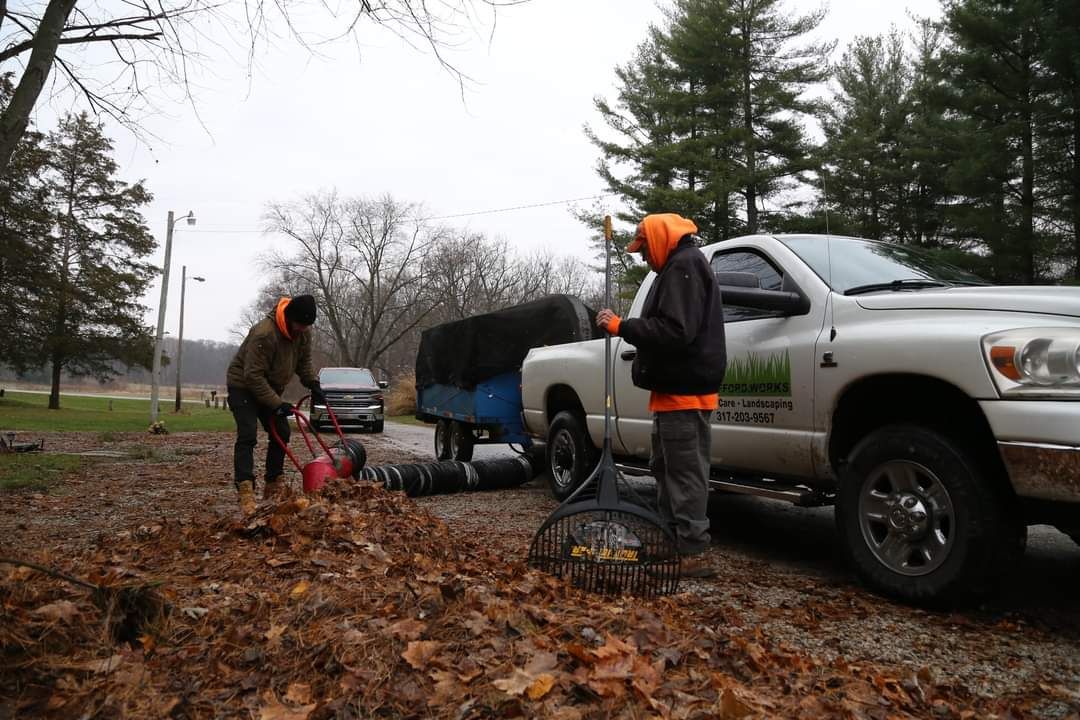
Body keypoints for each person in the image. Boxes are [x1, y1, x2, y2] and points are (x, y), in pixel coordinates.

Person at [596, 213, 727, 578]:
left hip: (686, 394)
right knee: (665, 469)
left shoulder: (684, 266)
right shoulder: (676, 266)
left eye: (643, 248)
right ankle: (671, 541)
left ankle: (694, 552)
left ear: (657, 239)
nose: (641, 257)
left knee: (685, 474)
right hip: (673, 392)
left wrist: (621, 326)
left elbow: (675, 331)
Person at [226, 294, 324, 513]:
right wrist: (277, 404)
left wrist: (313, 384)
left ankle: (272, 485)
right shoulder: (265, 334)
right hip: (243, 386)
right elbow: (252, 376)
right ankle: (246, 490)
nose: (302, 330)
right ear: (289, 318)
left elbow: (304, 363)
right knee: (248, 434)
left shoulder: (303, 334)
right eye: (299, 324)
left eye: (306, 326)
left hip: (269, 387)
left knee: (281, 431)